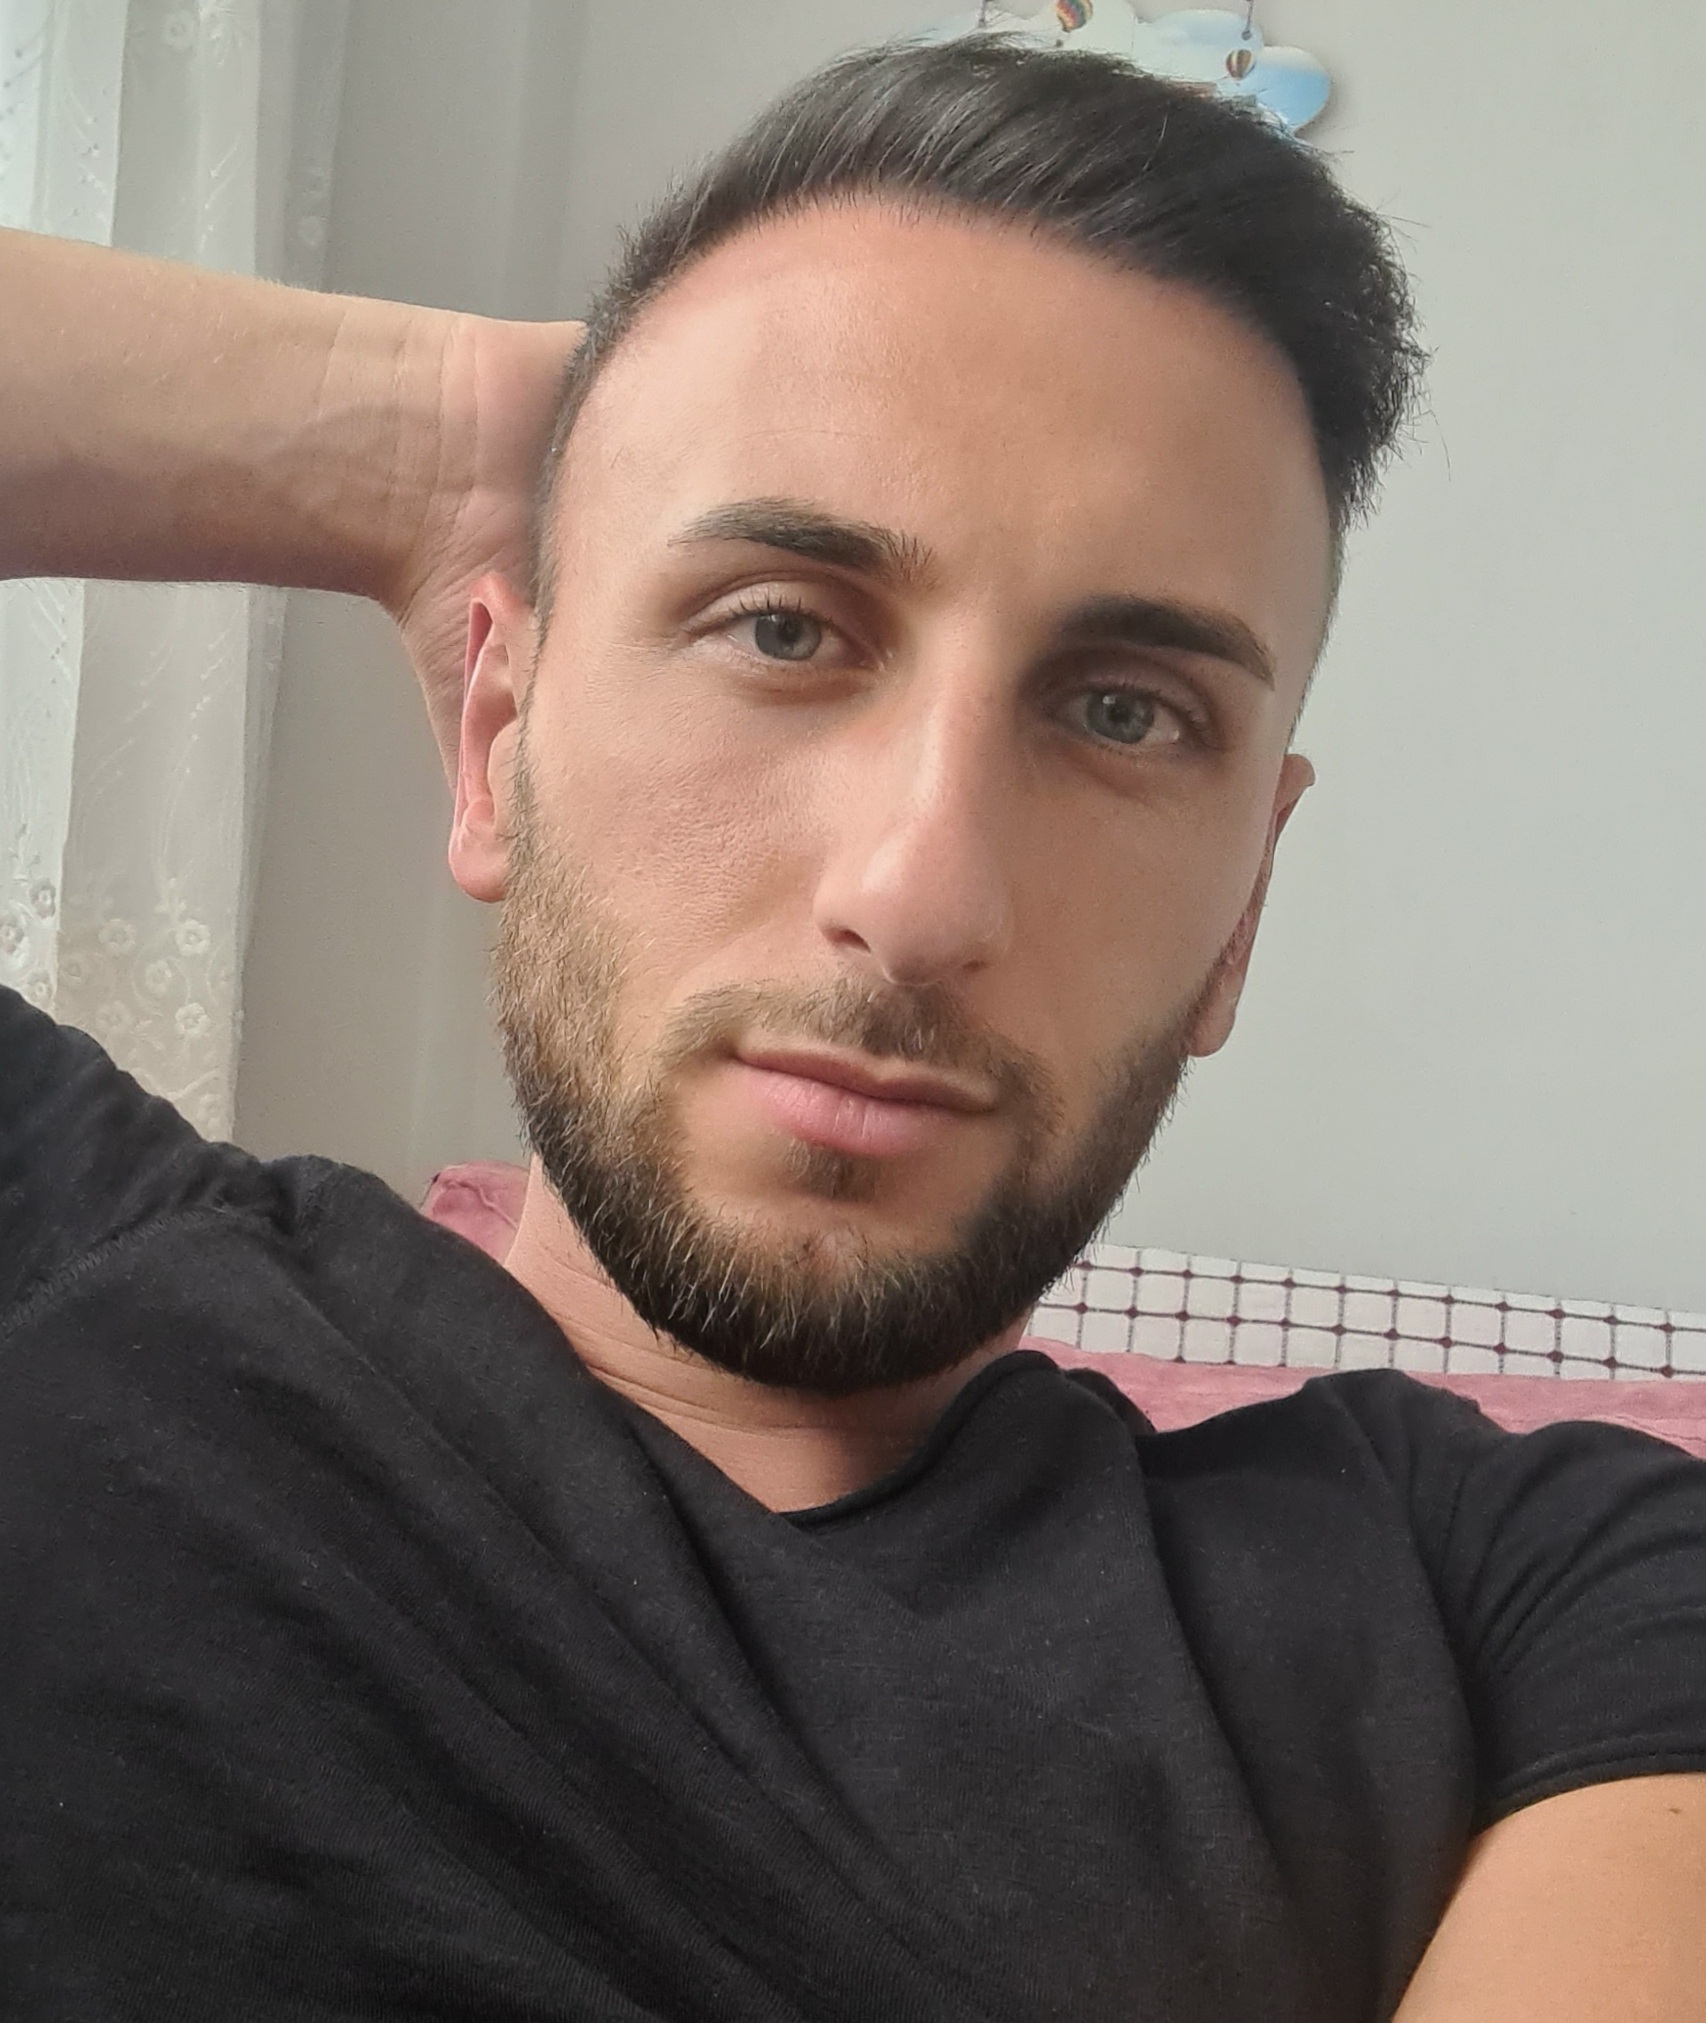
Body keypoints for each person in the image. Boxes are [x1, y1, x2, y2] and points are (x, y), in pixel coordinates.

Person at [2, 36, 1702, 2023]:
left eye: (1123, 711)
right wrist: (430, 441)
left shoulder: (1540, 1596)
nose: (920, 894)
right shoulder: (71, 1263)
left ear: (1239, 910)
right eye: (784, 626)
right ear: (493, 746)